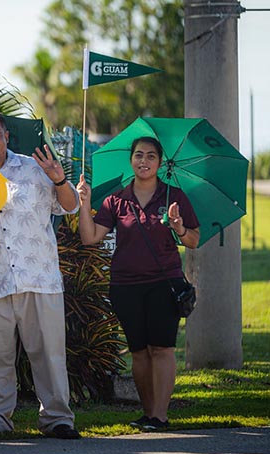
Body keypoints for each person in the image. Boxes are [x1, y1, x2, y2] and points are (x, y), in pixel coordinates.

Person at [0, 110, 82, 439]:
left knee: (49, 354)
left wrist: (59, 180)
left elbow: (70, 206)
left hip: (38, 277)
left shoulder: (36, 168)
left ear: (7, 137)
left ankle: (57, 418)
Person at [76, 136, 200, 431]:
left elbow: (194, 240)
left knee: (162, 348)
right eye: (139, 156)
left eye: (151, 156)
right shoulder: (116, 200)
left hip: (164, 282)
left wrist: (179, 226)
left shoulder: (175, 197)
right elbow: (90, 237)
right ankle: (148, 414)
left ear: (160, 162)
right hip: (125, 285)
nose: (144, 161)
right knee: (139, 351)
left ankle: (160, 415)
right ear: (131, 160)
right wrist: (83, 203)